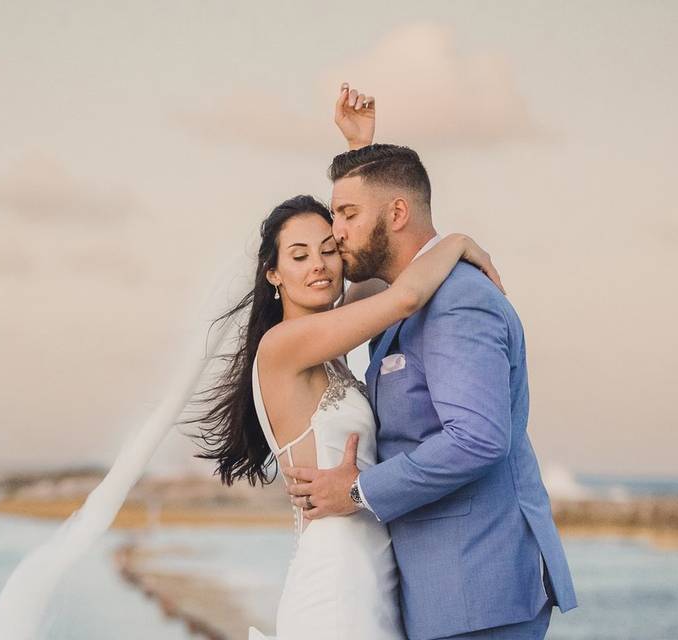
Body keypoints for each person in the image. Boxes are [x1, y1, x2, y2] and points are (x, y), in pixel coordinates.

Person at [191, 85, 506, 640]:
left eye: (327, 250)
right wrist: (455, 241)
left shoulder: (334, 333)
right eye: (299, 256)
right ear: (272, 274)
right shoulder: (283, 348)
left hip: (377, 575)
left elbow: (384, 246)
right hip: (336, 585)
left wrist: (362, 147)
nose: (320, 264)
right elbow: (407, 294)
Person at [281, 85, 579, 639]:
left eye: (345, 214)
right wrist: (359, 150)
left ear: (396, 213)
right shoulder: (399, 298)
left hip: (478, 586)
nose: (335, 233)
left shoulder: (456, 300)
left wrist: (357, 492)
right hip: (439, 589)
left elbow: (477, 439)